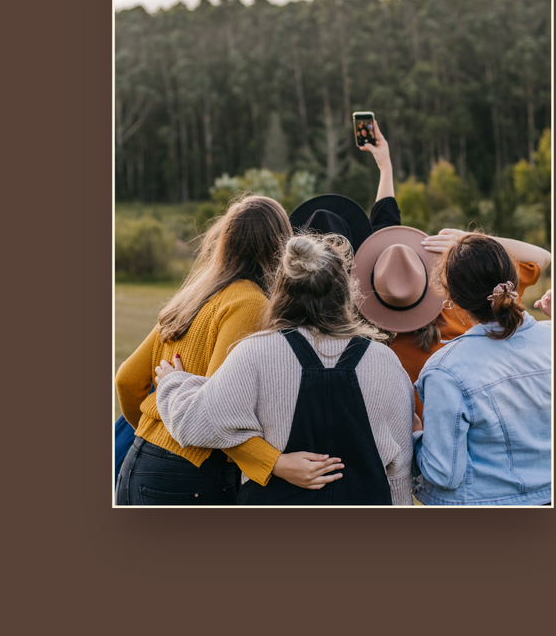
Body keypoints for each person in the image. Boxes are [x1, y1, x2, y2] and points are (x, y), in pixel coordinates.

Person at [154, 233, 415, 505]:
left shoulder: (255, 353)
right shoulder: (385, 361)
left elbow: (194, 423)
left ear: (282, 288)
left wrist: (174, 383)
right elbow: (399, 469)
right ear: (345, 292)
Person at [116, 195, 341, 505]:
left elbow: (126, 380)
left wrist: (155, 432)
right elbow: (217, 413)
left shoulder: (192, 297)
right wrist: (276, 463)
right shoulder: (249, 304)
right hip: (190, 473)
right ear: (279, 246)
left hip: (139, 462)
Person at [412, 232, 551, 506]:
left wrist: (415, 435)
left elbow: (443, 474)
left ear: (450, 295)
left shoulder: (445, 370)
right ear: (513, 279)